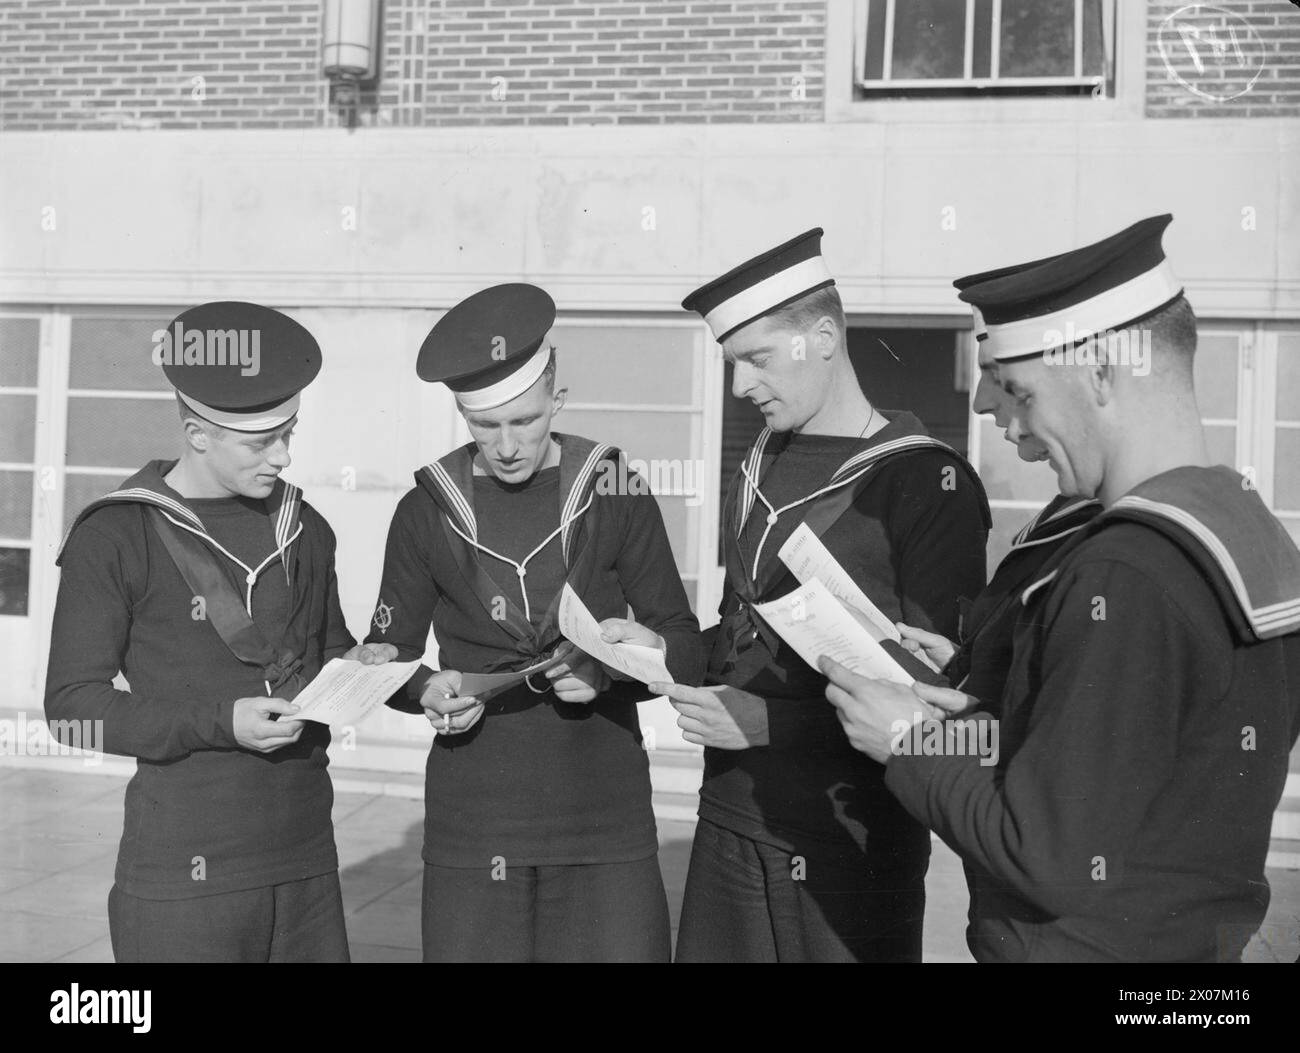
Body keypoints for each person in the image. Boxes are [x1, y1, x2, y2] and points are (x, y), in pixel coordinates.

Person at [822, 214, 1300, 962]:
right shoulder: (1237, 526)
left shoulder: (1127, 570)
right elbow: (1150, 767)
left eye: (1019, 390)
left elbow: (1049, 855)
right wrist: (989, 712)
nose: (994, 412)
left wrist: (907, 740)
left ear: (1102, 373)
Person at [651, 229, 990, 962]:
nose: (739, 385)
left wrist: (770, 723)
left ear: (825, 337)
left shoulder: (927, 483)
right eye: (730, 362)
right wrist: (664, 651)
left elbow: (932, 703)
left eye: (757, 358)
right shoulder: (759, 460)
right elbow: (737, 634)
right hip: (729, 814)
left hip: (851, 843)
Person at [362, 283, 703, 963]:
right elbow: (386, 654)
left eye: (525, 420)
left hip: (603, 812)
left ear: (559, 400)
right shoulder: (425, 509)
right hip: (476, 813)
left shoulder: (613, 488)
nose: (508, 445)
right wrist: (426, 687)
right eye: (485, 427)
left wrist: (611, 671)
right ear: (461, 415)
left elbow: (685, 642)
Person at [45, 301, 375, 962]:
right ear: (198, 433)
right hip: (182, 880)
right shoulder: (116, 534)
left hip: (305, 861)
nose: (283, 456)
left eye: (290, 432)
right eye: (262, 441)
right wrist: (220, 720)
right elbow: (71, 709)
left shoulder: (304, 528)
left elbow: (329, 650)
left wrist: (368, 671)